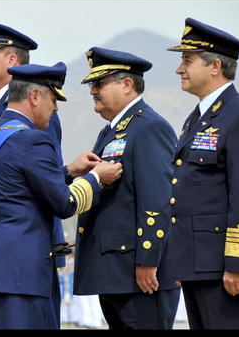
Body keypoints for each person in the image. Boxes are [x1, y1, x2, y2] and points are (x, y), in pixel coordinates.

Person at [0, 62, 123, 329]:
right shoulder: (34, 140)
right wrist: (95, 178)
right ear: (35, 96)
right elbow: (64, 203)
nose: (56, 108)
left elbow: (15, 184)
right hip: (19, 274)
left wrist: (68, 171)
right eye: (54, 98)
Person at [166, 17, 239, 329]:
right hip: (198, 263)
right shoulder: (198, 118)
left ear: (215, 67)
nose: (179, 69)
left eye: (187, 60)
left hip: (224, 267)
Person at [0, 18, 68, 328]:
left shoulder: (38, 114)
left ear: (12, 60)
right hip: (10, 260)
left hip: (24, 257)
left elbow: (42, 177)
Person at [72, 47, 180, 329]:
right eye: (92, 85)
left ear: (127, 84)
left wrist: (147, 260)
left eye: (100, 83)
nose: (93, 91)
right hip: (116, 271)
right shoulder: (112, 131)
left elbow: (157, 200)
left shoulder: (148, 127)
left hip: (140, 273)